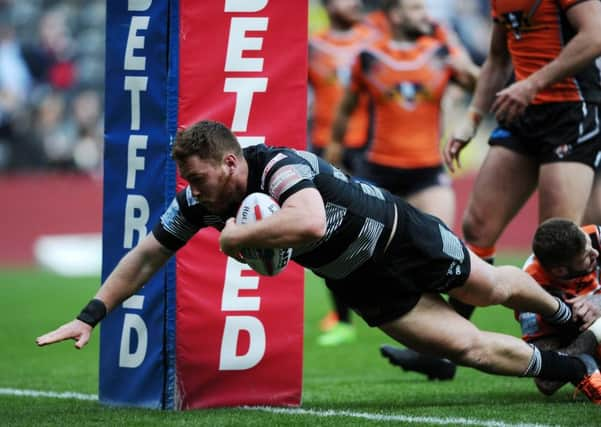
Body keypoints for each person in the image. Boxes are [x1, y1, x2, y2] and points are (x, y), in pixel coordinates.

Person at [37, 120, 601, 403]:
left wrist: (236, 240)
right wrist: (90, 314)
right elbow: (146, 255)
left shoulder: (276, 165)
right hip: (359, 280)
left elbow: (307, 221)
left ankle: (564, 310)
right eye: (187, 180)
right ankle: (581, 371)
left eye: (197, 176)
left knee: (490, 292)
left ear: (230, 162)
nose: (191, 188)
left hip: (401, 236)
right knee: (464, 346)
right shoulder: (200, 203)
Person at [384, 0, 601, 379]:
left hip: (572, 111)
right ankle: (445, 348)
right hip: (524, 112)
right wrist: (470, 121)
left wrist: (531, 82)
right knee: (478, 227)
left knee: (557, 240)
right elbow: (498, 60)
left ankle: (574, 355)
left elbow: (595, 35)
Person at [308, 0, 380, 346]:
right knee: (329, 229)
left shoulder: (374, 40)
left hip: (370, 144)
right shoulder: (312, 46)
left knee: (375, 225)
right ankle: (341, 317)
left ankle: (386, 303)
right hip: (326, 146)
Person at [517, 218, 601, 396]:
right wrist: (596, 331)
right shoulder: (532, 291)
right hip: (574, 331)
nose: (595, 253)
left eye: (590, 246)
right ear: (560, 271)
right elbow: (546, 380)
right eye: (586, 256)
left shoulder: (594, 237)